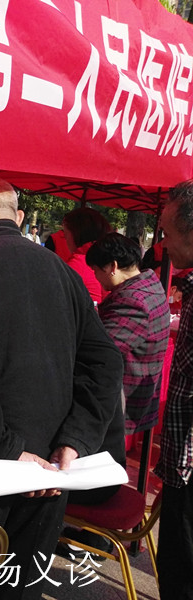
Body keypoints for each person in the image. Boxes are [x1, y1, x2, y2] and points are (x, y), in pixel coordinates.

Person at [0, 176, 122, 600]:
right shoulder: (63, 273)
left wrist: (11, 449)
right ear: (19, 216)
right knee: (21, 586)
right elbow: (105, 362)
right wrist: (73, 442)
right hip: (49, 467)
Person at [86, 233, 170, 437]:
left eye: (96, 270)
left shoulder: (133, 301)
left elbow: (98, 350)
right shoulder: (150, 285)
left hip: (123, 399)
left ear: (112, 267)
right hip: (136, 393)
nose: (95, 277)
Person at [155, 179, 193, 600]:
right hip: (183, 456)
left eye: (166, 232)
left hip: (190, 460)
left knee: (182, 567)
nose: (162, 244)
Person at [62, 206, 112, 304]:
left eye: (65, 234)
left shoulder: (77, 265)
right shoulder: (111, 258)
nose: (65, 239)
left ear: (75, 234)